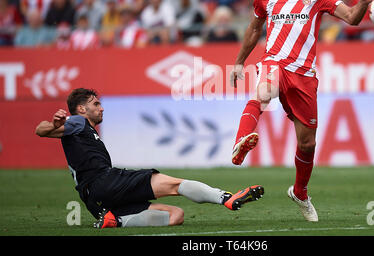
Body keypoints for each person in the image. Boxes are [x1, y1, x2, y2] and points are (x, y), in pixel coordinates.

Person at [229, 0, 374, 222]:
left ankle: (300, 192)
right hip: (275, 63)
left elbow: (351, 18)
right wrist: (240, 60)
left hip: (304, 76)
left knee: (307, 144)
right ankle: (240, 142)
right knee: (264, 91)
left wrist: (362, 1)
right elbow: (255, 29)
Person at [35, 88, 264, 229]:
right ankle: (225, 198)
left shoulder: (77, 129)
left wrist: (53, 127)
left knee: (175, 216)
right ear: (81, 109)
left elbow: (44, 131)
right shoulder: (78, 121)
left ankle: (115, 220)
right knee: (175, 184)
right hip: (104, 182)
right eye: (96, 104)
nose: (102, 108)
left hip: (96, 204)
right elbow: (41, 129)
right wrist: (54, 123)